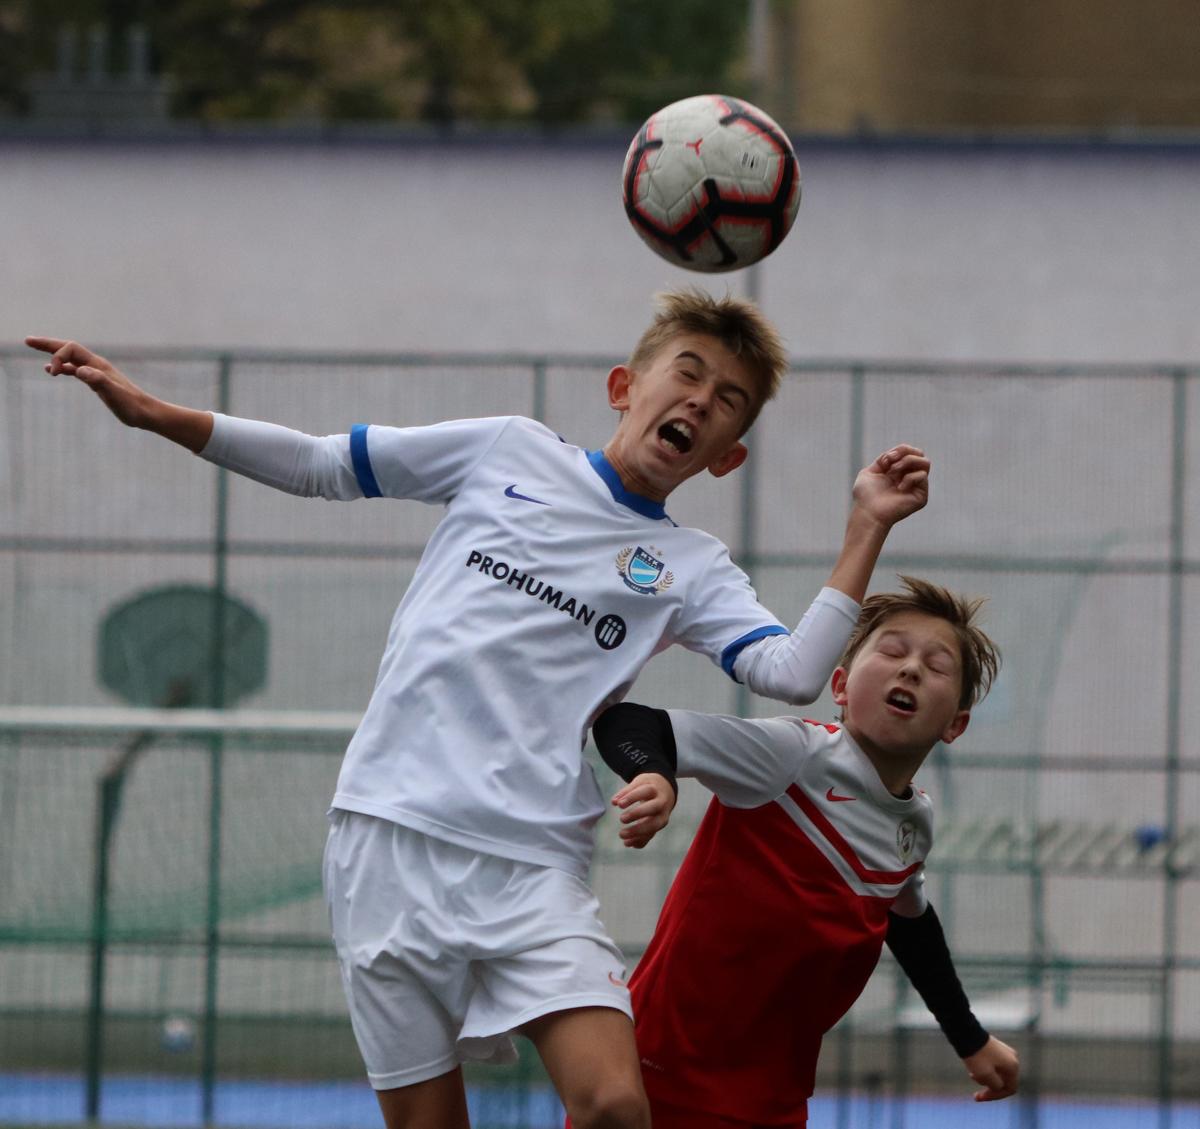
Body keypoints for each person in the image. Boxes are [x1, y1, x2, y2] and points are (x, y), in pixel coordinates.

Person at [27, 289, 931, 1129]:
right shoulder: (507, 450)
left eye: (728, 400)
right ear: (624, 387)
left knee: (615, 1104)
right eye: (687, 372)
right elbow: (321, 464)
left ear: (725, 455)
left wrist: (866, 526)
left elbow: (791, 671)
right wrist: (151, 412)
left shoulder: (690, 566)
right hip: (386, 836)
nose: (700, 399)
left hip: (531, 862)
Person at [586, 576, 1019, 1129]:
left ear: (955, 724)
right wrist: (655, 773)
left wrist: (970, 1039)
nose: (910, 668)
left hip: (773, 1101)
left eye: (936, 666)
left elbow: (910, 924)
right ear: (840, 685)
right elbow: (628, 721)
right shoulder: (793, 755)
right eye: (892, 652)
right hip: (659, 1080)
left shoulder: (913, 823)